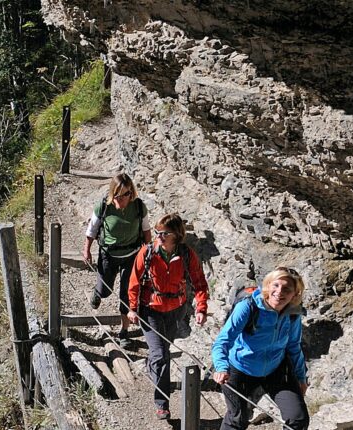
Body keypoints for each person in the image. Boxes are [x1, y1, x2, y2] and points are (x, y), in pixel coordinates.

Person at [126, 213, 209, 420]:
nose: (160, 236)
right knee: (162, 355)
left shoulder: (187, 254)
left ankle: (152, 364)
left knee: (162, 351)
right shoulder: (147, 253)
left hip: (175, 310)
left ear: (177, 234)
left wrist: (201, 308)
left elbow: (199, 282)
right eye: (157, 232)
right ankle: (162, 403)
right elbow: (134, 282)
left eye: (165, 233)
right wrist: (132, 308)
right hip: (150, 309)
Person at [210, 267, 310, 430]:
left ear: (295, 294)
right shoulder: (248, 307)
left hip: (275, 369)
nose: (279, 292)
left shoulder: (293, 314)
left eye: (287, 289)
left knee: (297, 418)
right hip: (240, 368)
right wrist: (221, 367)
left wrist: (301, 378)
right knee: (238, 419)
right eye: (276, 285)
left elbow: (294, 347)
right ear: (267, 286)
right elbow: (223, 341)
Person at [82, 173, 149, 337]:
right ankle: (98, 293)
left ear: (131, 192)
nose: (122, 199)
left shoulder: (139, 207)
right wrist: (87, 250)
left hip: (131, 255)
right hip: (108, 255)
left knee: (127, 294)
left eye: (126, 194)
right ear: (113, 193)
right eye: (118, 195)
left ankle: (124, 331)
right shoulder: (104, 206)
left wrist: (147, 254)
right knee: (105, 290)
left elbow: (146, 231)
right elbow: (92, 230)